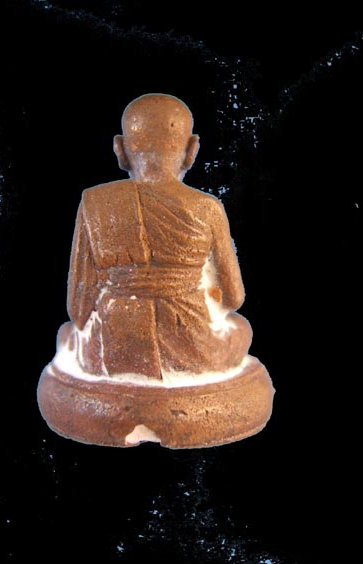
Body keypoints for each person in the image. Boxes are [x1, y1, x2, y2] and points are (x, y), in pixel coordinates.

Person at [61, 93, 252, 380]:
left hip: (113, 341)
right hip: (190, 339)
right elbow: (234, 297)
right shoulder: (207, 208)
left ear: (120, 150)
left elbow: (78, 309)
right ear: (192, 150)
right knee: (241, 329)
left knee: (68, 336)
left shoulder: (95, 202)